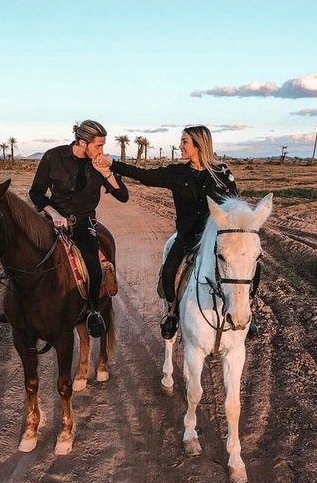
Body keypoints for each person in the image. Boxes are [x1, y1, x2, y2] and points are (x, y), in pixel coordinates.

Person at [93, 125, 245, 339]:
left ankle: (248, 313)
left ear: (198, 145)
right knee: (168, 272)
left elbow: (234, 205)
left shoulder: (221, 174)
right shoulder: (177, 173)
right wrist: (113, 164)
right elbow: (143, 175)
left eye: (184, 142)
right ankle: (172, 313)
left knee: (248, 269)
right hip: (188, 237)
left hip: (215, 239)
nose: (180, 145)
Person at [29, 120, 129, 338]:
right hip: (52, 219)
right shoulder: (52, 157)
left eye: (103, 146)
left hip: (83, 223)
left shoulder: (99, 164)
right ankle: (19, 306)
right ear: (82, 142)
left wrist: (106, 172)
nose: (102, 151)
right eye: (98, 146)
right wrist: (54, 214)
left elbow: (123, 196)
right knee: (25, 253)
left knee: (93, 265)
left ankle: (93, 311)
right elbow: (36, 192)